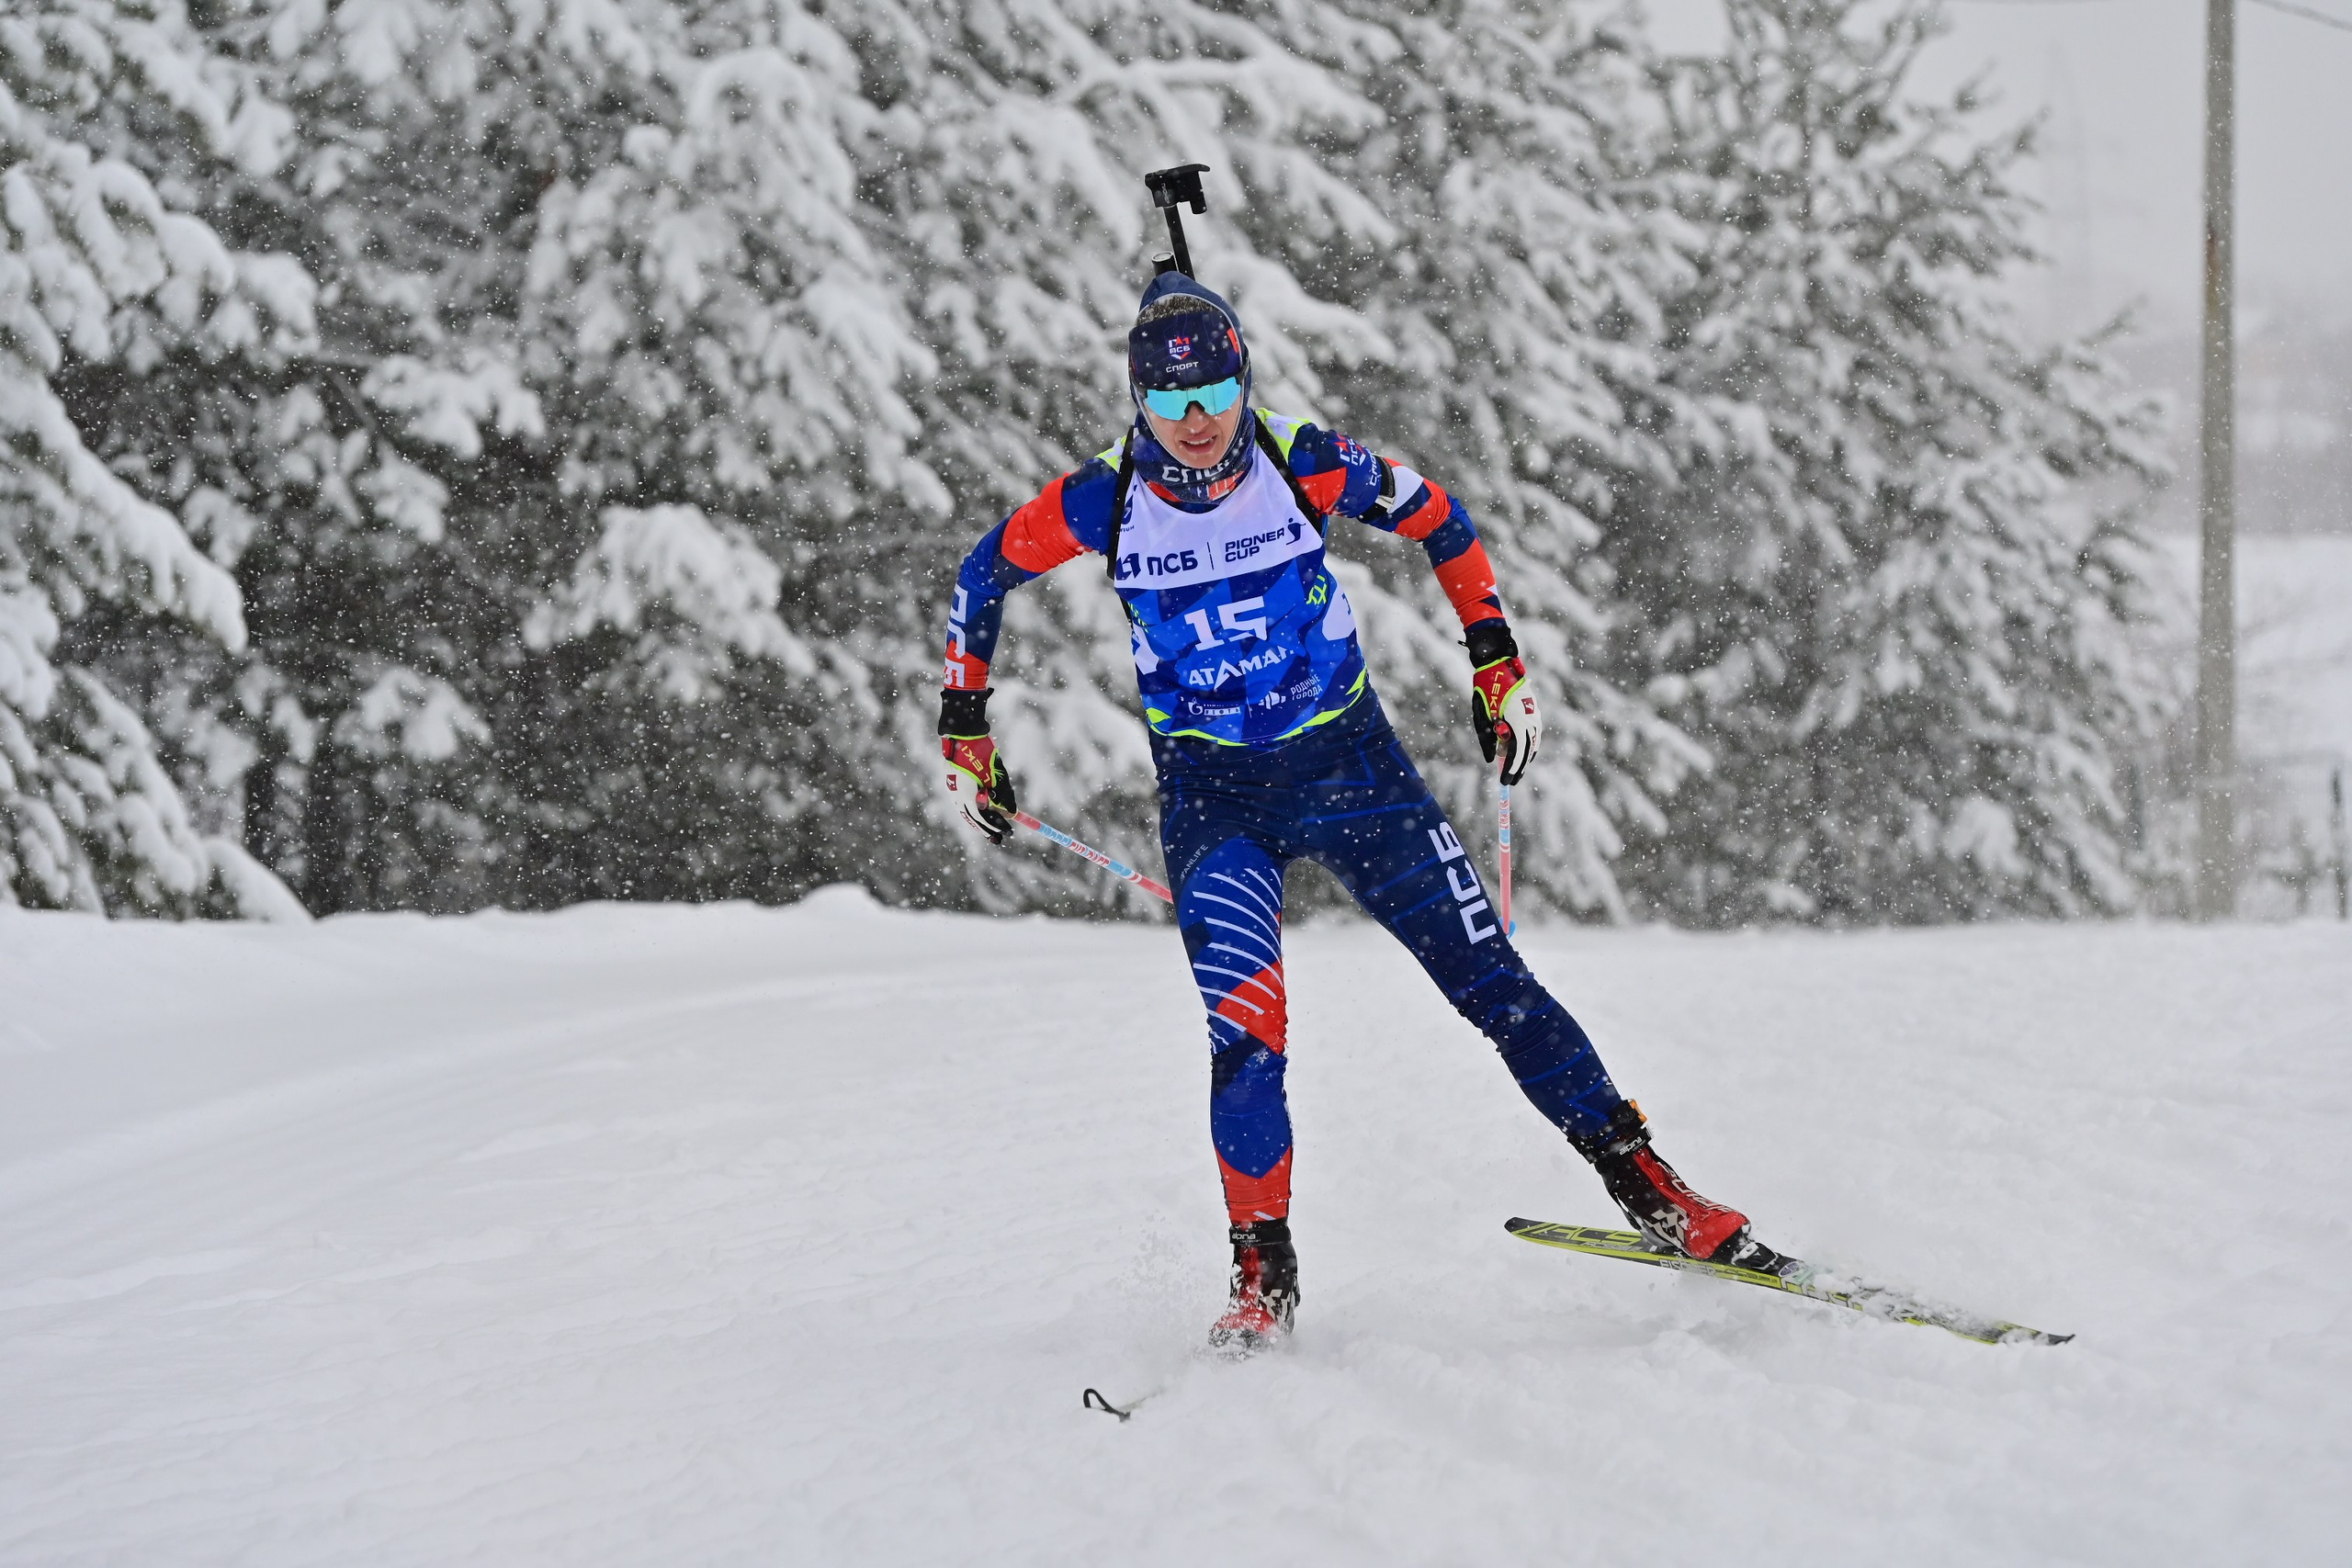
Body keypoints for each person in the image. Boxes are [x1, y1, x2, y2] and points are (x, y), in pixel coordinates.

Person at [937, 271, 1763, 1351]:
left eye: (1213, 393)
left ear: (1243, 380)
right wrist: (964, 727)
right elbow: (980, 577)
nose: (1195, 421)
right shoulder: (1104, 498)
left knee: (1494, 985)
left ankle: (1653, 1193)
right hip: (1216, 800)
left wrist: (1495, 662)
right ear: (1137, 401)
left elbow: (1441, 521)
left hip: (1355, 775)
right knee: (1246, 1036)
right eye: (1168, 401)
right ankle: (1261, 1278)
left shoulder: (1303, 461)